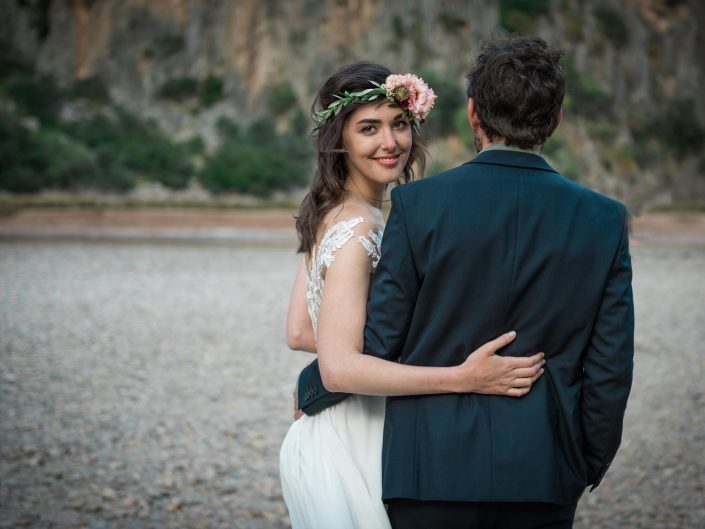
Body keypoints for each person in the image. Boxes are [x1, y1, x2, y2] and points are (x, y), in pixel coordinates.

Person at [297, 37, 634, 529]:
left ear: (473, 113)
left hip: (429, 470)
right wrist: (585, 462)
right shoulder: (605, 220)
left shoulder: (419, 207)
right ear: (557, 119)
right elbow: (610, 367)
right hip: (544, 471)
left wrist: (312, 385)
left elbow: (382, 340)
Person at [279, 61, 546, 529]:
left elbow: (303, 331)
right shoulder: (361, 226)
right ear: (336, 140)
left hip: (322, 434)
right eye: (369, 128)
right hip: (355, 442)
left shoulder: (329, 212)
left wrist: (315, 381)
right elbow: (338, 366)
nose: (391, 142)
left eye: (399, 124)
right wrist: (464, 377)